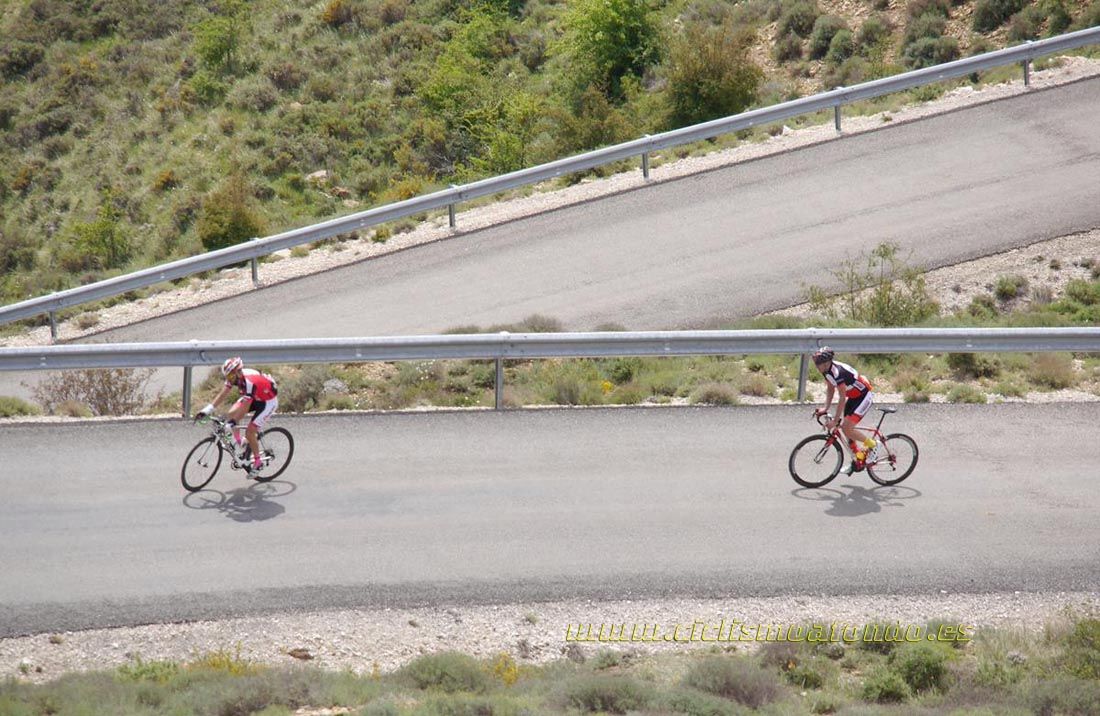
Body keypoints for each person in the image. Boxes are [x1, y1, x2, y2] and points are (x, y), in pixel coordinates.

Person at [196, 357, 279, 477]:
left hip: (268, 402)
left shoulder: (249, 381)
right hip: (256, 396)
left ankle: (257, 462)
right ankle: (239, 442)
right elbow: (223, 393)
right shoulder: (235, 377)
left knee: (250, 432)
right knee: (231, 413)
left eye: (230, 376)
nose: (229, 379)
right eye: (228, 377)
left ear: (237, 372)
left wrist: (233, 423)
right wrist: (207, 409)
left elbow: (245, 407)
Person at [811, 346, 876, 474]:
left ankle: (873, 445)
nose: (816, 366)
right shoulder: (826, 370)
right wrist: (826, 407)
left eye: (818, 364)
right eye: (816, 364)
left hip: (863, 396)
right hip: (853, 397)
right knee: (847, 431)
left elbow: (841, 397)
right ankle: (857, 459)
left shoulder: (837, 372)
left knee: (847, 427)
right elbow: (830, 388)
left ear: (826, 363)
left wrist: (835, 420)